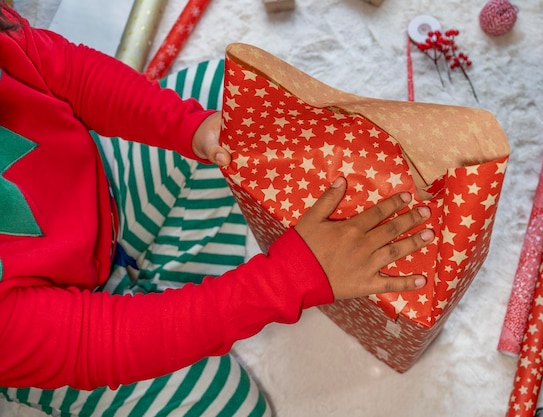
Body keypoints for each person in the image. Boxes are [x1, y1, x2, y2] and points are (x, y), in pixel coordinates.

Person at [0, 2, 434, 416]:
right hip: (65, 338)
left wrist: (192, 127)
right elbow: (100, 342)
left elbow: (67, 72)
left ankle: (176, 297)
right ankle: (180, 303)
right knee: (237, 410)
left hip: (107, 200)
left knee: (238, 102)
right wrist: (290, 278)